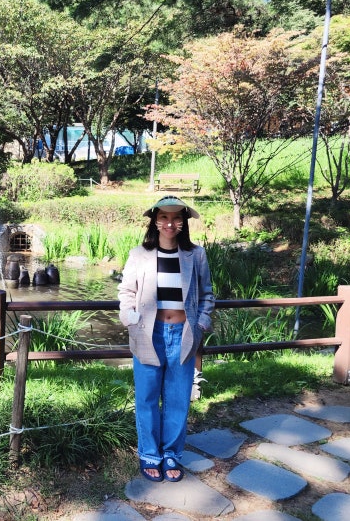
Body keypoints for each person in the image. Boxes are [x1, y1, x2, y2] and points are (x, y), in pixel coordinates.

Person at [117, 196, 215, 483]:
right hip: (149, 333)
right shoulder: (139, 254)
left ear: (184, 222)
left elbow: (207, 294)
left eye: (176, 218)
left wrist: (201, 325)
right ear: (155, 221)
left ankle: (172, 453)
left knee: (178, 399)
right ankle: (149, 454)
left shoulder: (196, 255)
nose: (169, 223)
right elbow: (126, 292)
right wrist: (130, 320)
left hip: (183, 334)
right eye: (163, 217)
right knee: (146, 398)